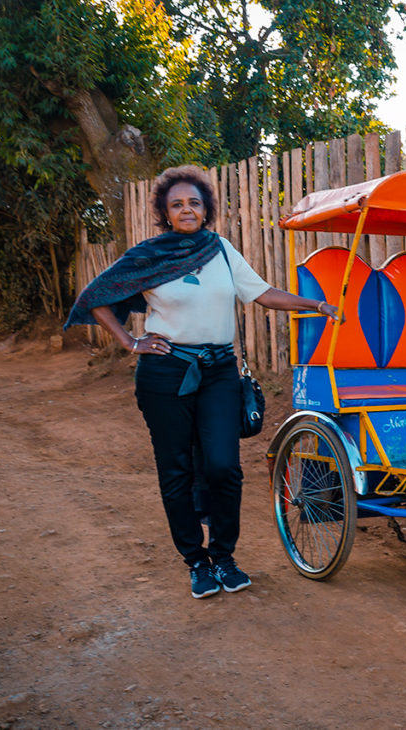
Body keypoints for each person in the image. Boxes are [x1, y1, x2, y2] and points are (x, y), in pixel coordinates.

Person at [65, 164, 338, 599]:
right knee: (175, 470)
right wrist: (131, 342)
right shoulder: (149, 256)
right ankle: (196, 562)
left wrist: (316, 305)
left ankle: (224, 557)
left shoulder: (221, 250)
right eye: (177, 204)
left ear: (206, 208)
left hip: (218, 373)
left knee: (223, 467)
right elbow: (94, 297)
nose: (186, 209)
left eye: (194, 202)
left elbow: (263, 293)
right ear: (165, 212)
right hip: (165, 374)